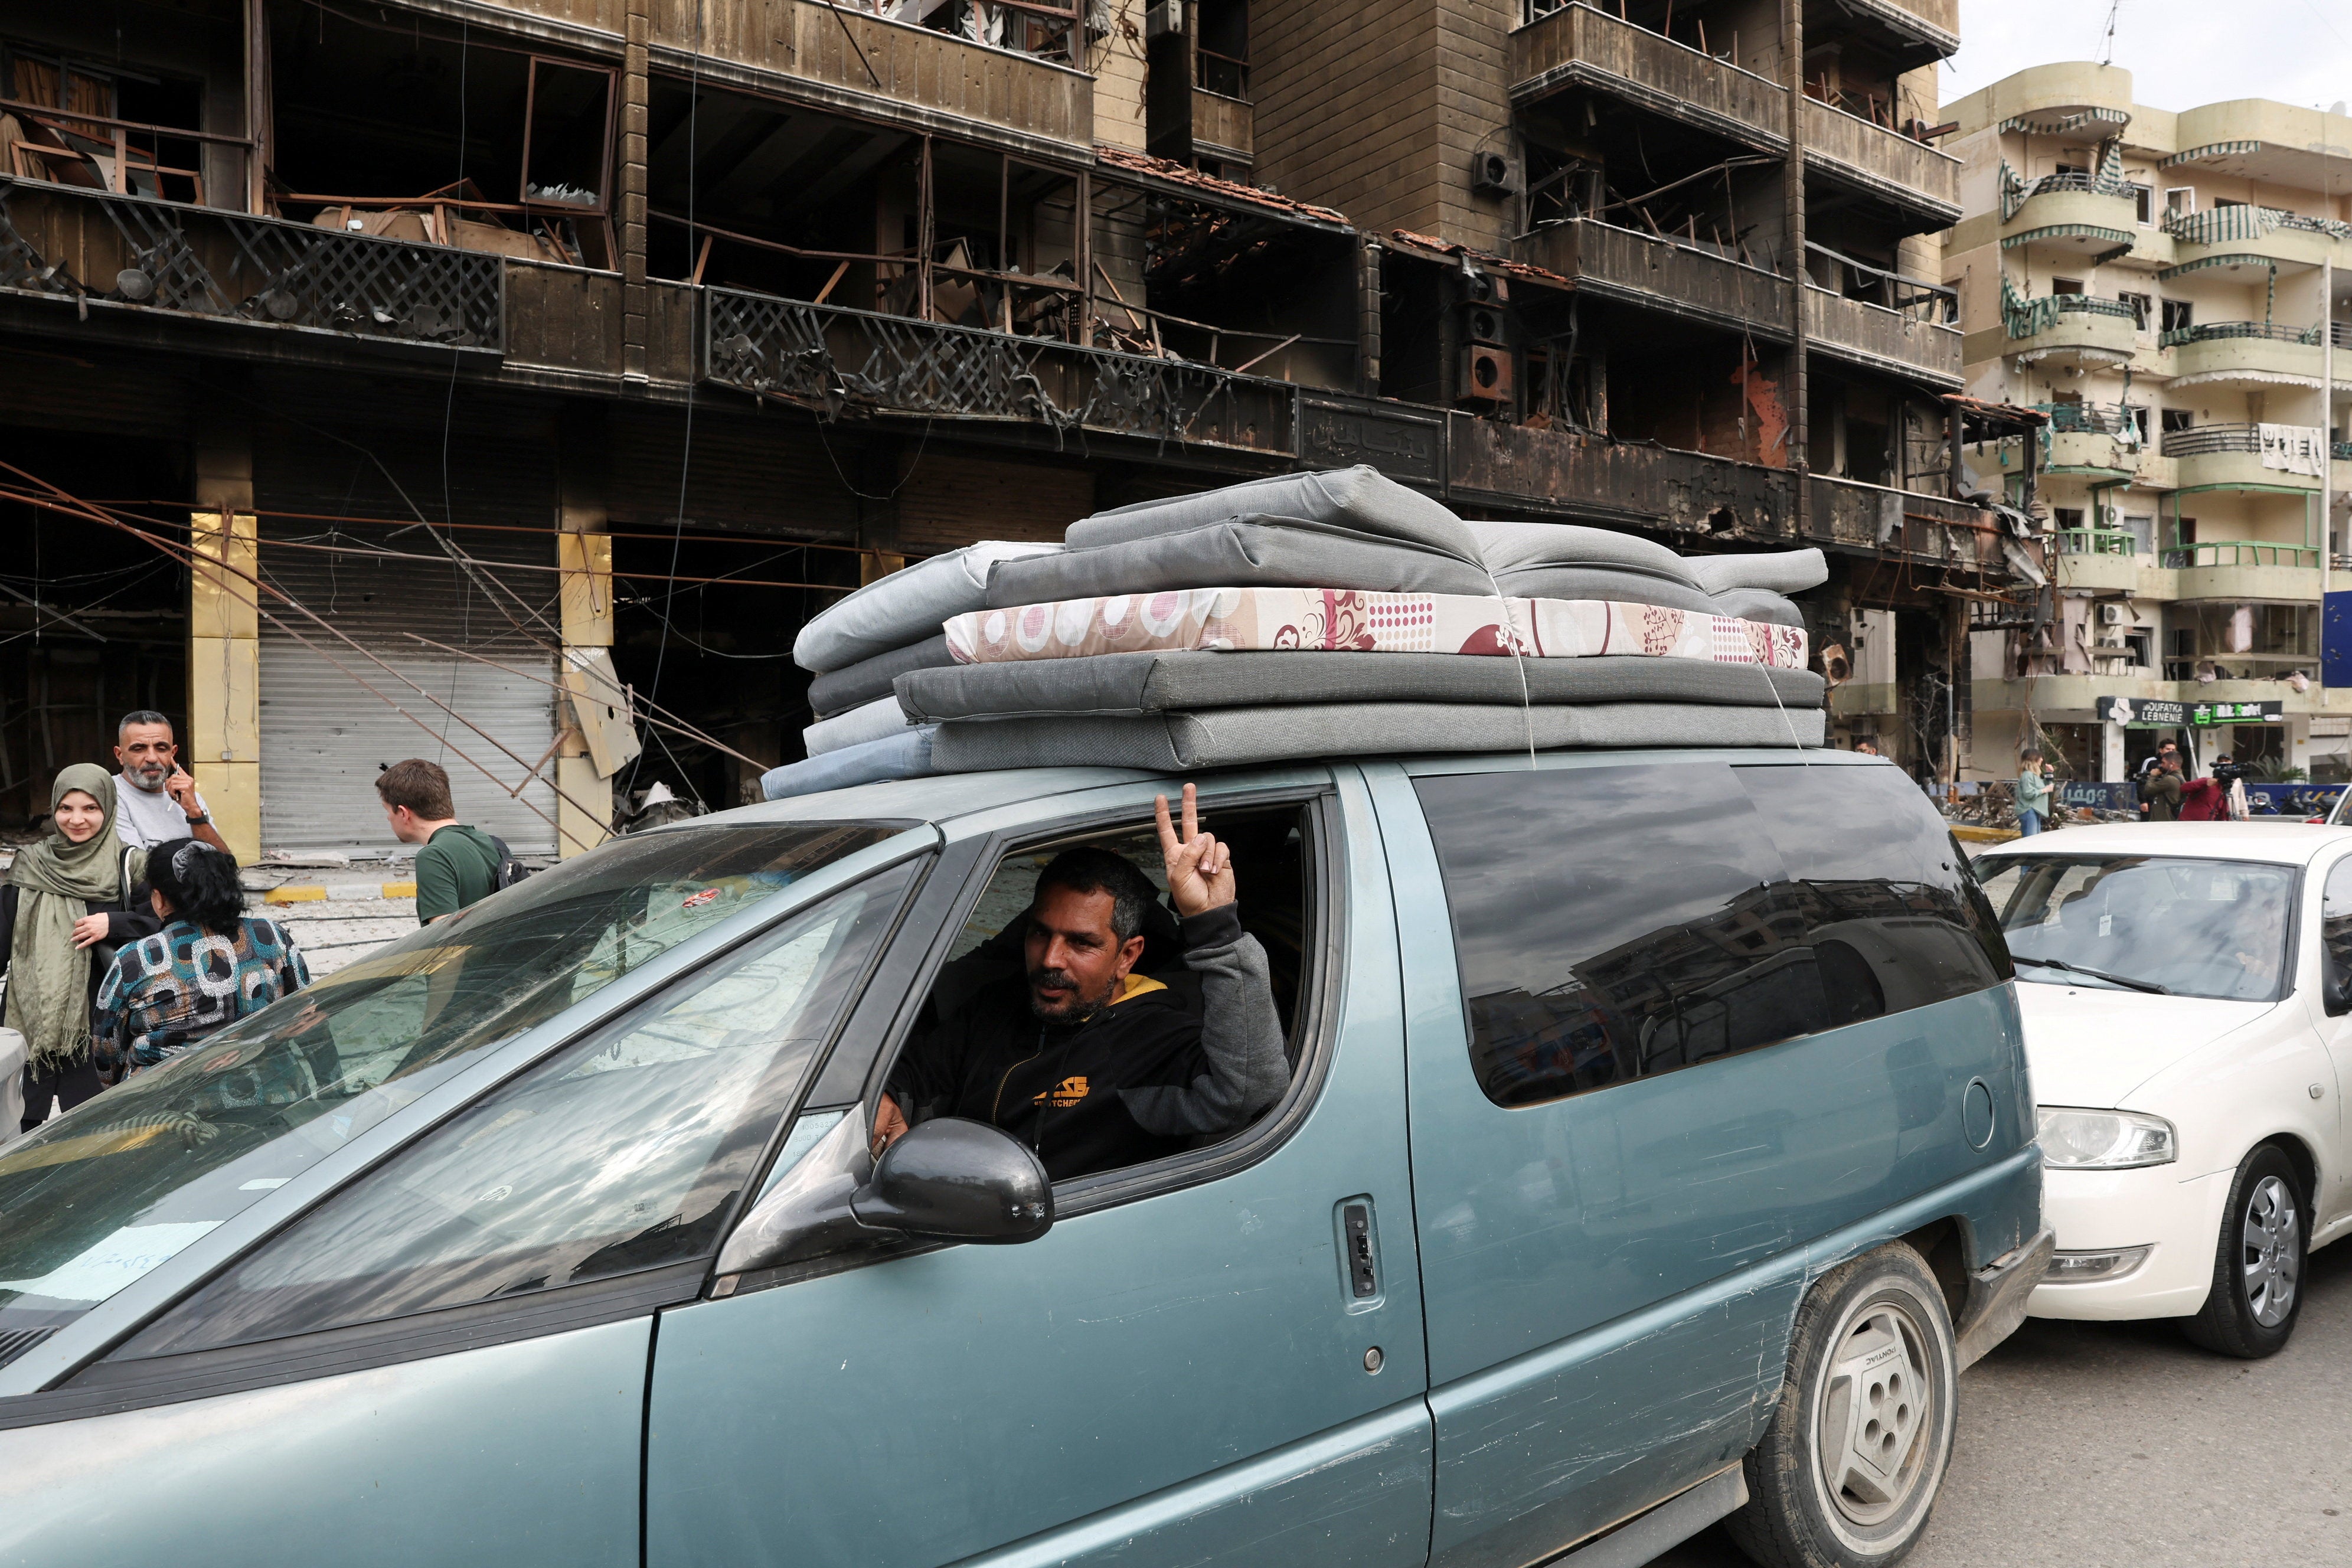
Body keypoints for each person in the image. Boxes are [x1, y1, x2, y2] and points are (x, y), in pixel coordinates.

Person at [875, 783, 1287, 1183]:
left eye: (1081, 943)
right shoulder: (996, 1006)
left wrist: (1215, 929)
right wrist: (888, 1095)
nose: (1052, 959)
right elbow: (921, 1073)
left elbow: (1247, 1092)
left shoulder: (1151, 1039)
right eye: (1040, 934)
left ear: (1127, 956)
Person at [1, 766, 161, 1130]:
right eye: (66, 808)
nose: (76, 820)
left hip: (99, 1022)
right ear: (54, 810)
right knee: (17, 1127)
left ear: (108, 808)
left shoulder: (131, 865)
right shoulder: (30, 864)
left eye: (90, 808)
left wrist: (114, 924)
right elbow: (2, 937)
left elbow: (160, 925)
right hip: (30, 1018)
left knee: (95, 1128)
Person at [93, 838, 309, 1074]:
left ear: (158, 898)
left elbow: (107, 1052)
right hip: (272, 1091)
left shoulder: (134, 959)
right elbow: (309, 1017)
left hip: (167, 1104)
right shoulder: (271, 935)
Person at [376, 758, 502, 925]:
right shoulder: (492, 843)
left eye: (387, 810)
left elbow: (445, 937)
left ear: (403, 813)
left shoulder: (434, 856)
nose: (388, 817)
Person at [112, 711, 231, 855]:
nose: (152, 758)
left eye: (161, 749)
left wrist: (194, 811)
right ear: (120, 755)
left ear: (173, 753)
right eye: (139, 749)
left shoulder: (190, 798)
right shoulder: (109, 794)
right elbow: (135, 869)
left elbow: (224, 866)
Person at [2014, 750, 2052, 837]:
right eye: (2040, 757)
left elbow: (2047, 785)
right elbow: (2028, 793)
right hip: (2028, 810)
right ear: (2034, 759)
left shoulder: (2034, 776)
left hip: (2035, 810)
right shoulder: (2027, 775)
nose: (2042, 760)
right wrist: (2044, 790)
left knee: (2034, 840)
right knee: (2030, 840)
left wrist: (2049, 773)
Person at [2141, 753, 2183, 822]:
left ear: (2171, 765)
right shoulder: (2179, 777)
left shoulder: (2170, 780)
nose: (2161, 765)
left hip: (2164, 819)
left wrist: (2153, 776)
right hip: (2168, 818)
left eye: (2164, 763)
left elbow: (2148, 790)